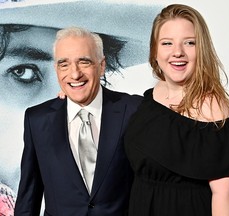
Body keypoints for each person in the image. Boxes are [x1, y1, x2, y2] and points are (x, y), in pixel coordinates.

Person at [123, 4, 229, 216]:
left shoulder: (215, 113)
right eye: (167, 43)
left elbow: (224, 195)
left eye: (189, 43)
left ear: (201, 50)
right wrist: (71, 96)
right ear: (155, 51)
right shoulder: (151, 97)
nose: (178, 52)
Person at [14, 26, 142, 216]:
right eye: (64, 64)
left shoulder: (135, 109)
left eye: (84, 62)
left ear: (102, 66)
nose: (75, 74)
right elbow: (28, 198)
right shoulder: (37, 120)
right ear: (56, 68)